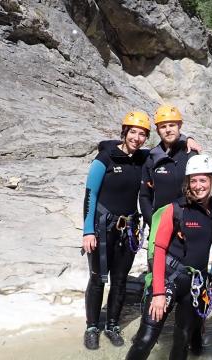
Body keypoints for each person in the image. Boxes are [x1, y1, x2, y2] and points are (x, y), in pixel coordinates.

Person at [125, 154, 212, 360]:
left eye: (203, 180)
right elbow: (158, 251)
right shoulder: (175, 209)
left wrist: (207, 290)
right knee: (146, 339)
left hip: (195, 284)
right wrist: (158, 293)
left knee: (182, 340)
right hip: (168, 280)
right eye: (193, 180)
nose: (198, 185)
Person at [137, 104, 205, 352]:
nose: (168, 129)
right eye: (163, 126)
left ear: (180, 126)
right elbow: (145, 195)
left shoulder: (190, 152)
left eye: (172, 125)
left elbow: (202, 185)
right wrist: (151, 219)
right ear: (158, 129)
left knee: (193, 277)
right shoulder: (152, 158)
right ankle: (150, 324)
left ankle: (195, 336)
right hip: (161, 224)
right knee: (155, 275)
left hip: (190, 221)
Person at [82, 111, 151, 350]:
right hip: (103, 228)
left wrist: (188, 139)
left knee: (120, 281)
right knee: (98, 278)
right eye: (133, 132)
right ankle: (92, 327)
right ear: (125, 132)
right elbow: (90, 194)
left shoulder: (143, 160)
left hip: (128, 229)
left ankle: (111, 325)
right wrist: (88, 231)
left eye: (143, 134)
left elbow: (170, 147)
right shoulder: (104, 158)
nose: (137, 137)